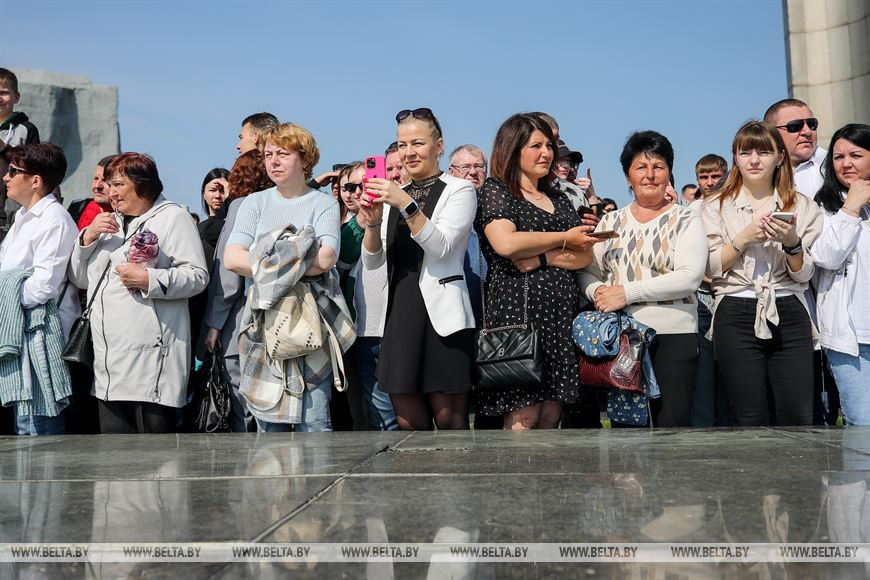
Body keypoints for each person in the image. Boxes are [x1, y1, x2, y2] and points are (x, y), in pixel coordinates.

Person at [68, 153, 209, 434]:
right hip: (108, 364)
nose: (111, 191)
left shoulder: (173, 217)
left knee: (154, 462)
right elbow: (80, 278)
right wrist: (86, 239)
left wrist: (149, 279)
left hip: (151, 361)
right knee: (115, 464)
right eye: (110, 184)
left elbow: (197, 276)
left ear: (142, 184)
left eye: (118, 184)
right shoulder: (108, 224)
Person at [476, 113, 600, 430]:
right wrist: (563, 240)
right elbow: (505, 242)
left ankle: (546, 482)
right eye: (536, 146)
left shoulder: (558, 199)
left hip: (559, 320)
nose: (546, 153)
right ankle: (517, 482)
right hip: (519, 318)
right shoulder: (497, 189)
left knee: (550, 415)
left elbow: (584, 254)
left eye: (549, 145)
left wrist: (545, 259)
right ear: (513, 148)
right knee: (524, 415)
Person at [358, 108, 476, 430]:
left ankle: (461, 482)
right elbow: (372, 263)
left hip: (443, 316)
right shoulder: (395, 196)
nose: (409, 152)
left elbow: (441, 248)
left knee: (449, 419)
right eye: (402, 144)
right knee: (408, 423)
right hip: (400, 311)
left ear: (439, 146)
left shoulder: (459, 190)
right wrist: (372, 224)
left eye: (418, 143)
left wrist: (405, 205)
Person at [580, 131, 707, 427]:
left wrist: (626, 292)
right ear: (627, 177)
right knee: (627, 434)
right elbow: (587, 272)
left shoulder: (686, 219)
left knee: (672, 429)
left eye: (658, 167)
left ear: (669, 174)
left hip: (673, 337)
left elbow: (689, 278)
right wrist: (600, 292)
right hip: (621, 339)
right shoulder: (610, 221)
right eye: (640, 167)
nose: (650, 175)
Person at [701, 121, 823, 426]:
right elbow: (710, 267)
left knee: (798, 414)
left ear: (780, 157)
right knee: (748, 416)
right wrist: (744, 237)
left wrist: (792, 242)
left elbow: (804, 275)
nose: (754, 160)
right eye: (745, 152)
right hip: (735, 308)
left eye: (764, 152)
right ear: (736, 158)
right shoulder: (714, 206)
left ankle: (798, 474)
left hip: (789, 310)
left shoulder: (803, 206)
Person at [225, 123, 341, 432]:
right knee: (268, 425)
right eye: (268, 154)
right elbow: (231, 257)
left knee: (314, 423)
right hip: (263, 323)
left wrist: (264, 256)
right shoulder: (254, 203)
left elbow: (327, 257)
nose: (273, 161)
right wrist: (297, 253)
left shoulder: (324, 203)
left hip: (309, 324)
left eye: (283, 154)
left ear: (305, 159)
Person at [0, 143, 78, 435]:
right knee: (22, 424)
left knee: (37, 426)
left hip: (39, 334)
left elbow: (44, 285)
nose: (6, 177)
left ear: (36, 180)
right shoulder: (21, 217)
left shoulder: (54, 219)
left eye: (13, 171)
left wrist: (4, 296)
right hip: (18, 330)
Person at [203, 149, 272, 432]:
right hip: (277, 319)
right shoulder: (281, 204)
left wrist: (214, 324)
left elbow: (228, 276)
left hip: (241, 319)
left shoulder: (241, 205)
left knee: (241, 407)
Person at [812, 123, 870, 425]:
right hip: (852, 338)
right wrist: (851, 208)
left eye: (855, 155)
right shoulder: (824, 208)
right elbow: (826, 257)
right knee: (863, 425)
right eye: (838, 157)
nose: (846, 163)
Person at [0, 68, 40, 242]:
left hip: (8, 208)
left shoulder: (26, 129)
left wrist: (4, 148)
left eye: (4, 92)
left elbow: (33, 166)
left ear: (16, 97)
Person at [764, 98, 826, 197]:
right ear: (771, 133)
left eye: (811, 124)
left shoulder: (835, 166)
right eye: (795, 126)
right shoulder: (755, 172)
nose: (807, 132)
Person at [67, 155, 116, 229]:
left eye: (105, 180)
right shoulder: (77, 209)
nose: (97, 186)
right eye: (96, 178)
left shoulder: (130, 219)